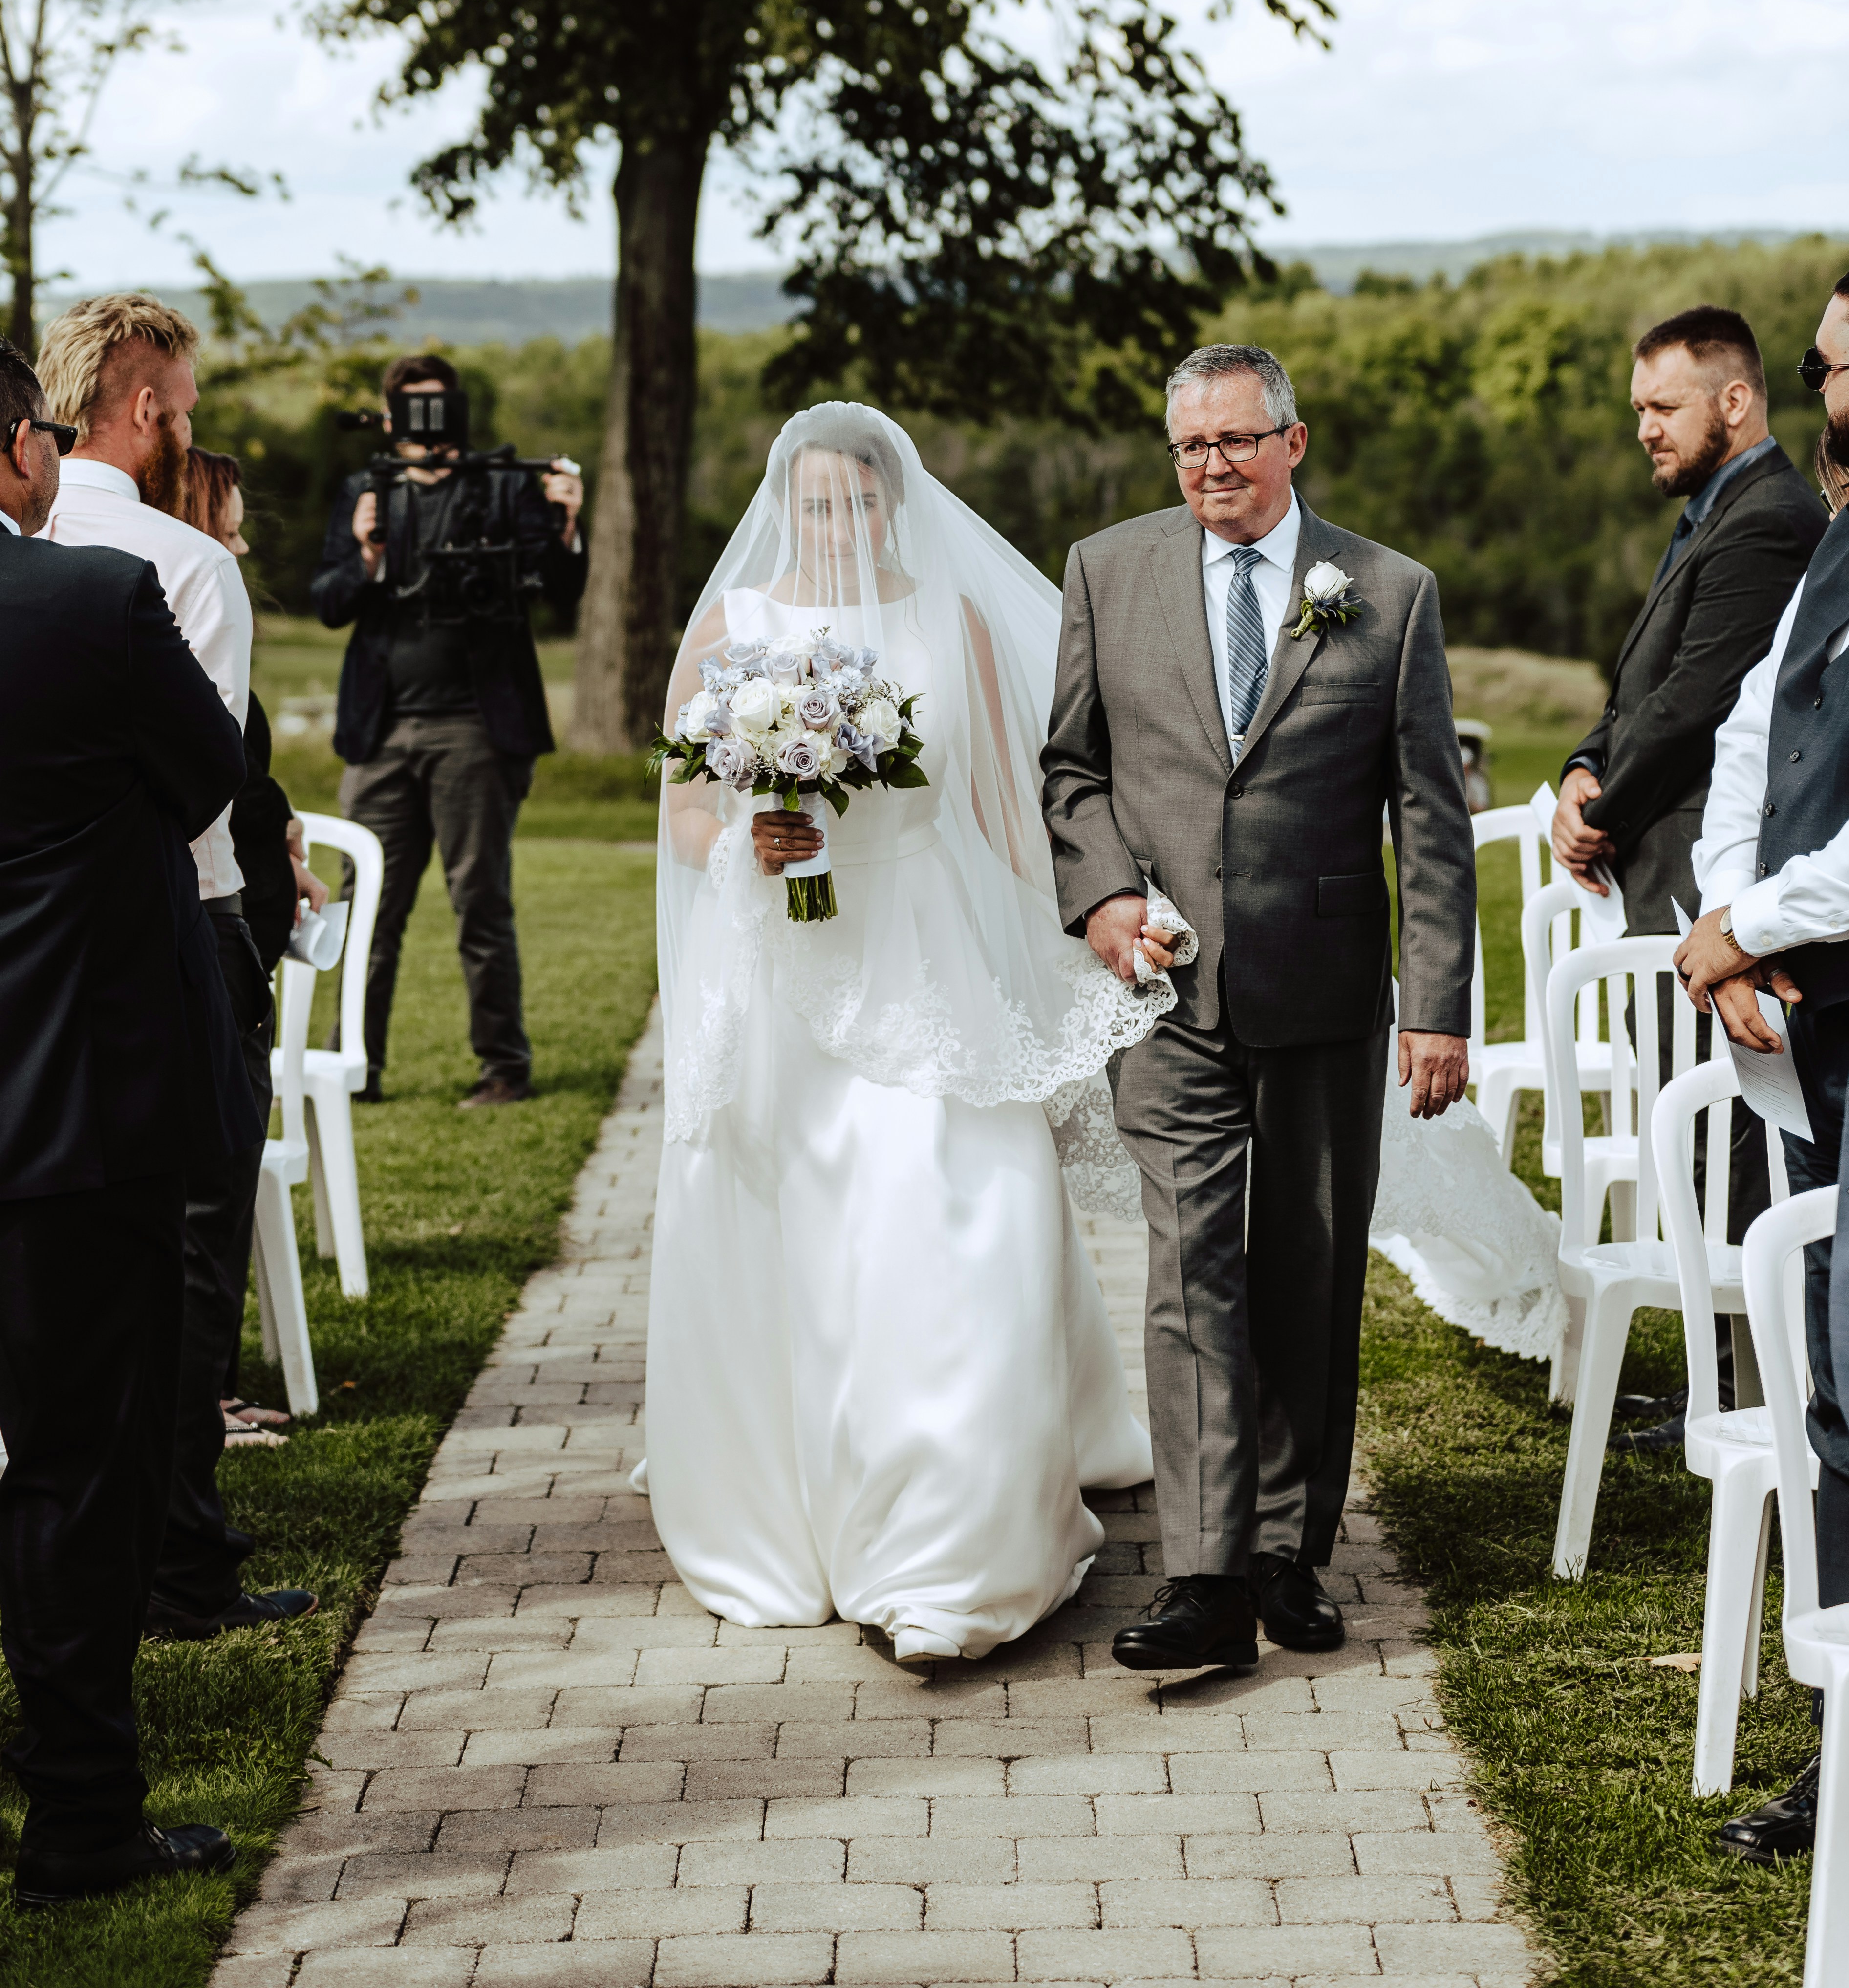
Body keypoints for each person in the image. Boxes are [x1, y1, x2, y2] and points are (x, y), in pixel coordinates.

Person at [646, 405, 1159, 1662]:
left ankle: (957, 1552)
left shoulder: (951, 618)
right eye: (814, 506)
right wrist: (749, 844)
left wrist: (1084, 918)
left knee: (964, 1204)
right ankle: (813, 1503)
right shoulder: (735, 628)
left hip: (922, 949)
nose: (836, 526)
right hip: (791, 967)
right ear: (785, 508)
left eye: (857, 504)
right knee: (812, 1232)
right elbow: (684, 815)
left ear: (892, 504)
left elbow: (1002, 801)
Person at [1042, 341, 1476, 1675]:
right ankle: (1204, 1575)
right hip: (1165, 995)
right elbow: (1072, 771)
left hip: (1327, 989)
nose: (1212, 467)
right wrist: (1107, 898)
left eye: (1237, 442)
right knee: (1191, 1275)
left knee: (1309, 1269)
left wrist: (1439, 1006)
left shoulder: (1388, 594)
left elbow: (1431, 820)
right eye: (1190, 448)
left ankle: (1293, 1550)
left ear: (1294, 442)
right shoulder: (1106, 573)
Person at [0, 328, 248, 1907]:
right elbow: (198, 782)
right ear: (26, 448)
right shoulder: (91, 597)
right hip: (66, 1110)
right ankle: (84, 1819)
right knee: (75, 1472)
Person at [34, 296, 317, 1636]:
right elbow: (204, 792)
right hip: (178, 930)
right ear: (148, 408)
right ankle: (177, 1555)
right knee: (198, 1239)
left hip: (25, 942)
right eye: (187, 402)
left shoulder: (15, 543)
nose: (189, 423)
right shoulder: (185, 566)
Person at [1553, 304, 1825, 1443]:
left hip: (1708, 865)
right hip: (1669, 856)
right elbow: (1636, 689)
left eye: (1661, 408)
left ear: (1734, 400)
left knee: (1741, 1141)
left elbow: (1702, 701)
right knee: (1708, 1134)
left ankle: (1758, 1392)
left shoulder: (1768, 519)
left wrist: (1597, 813)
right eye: (1634, 412)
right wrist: (1577, 763)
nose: (1643, 432)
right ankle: (1720, 1380)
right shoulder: (1716, 508)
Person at [1674, 268, 1849, 1868]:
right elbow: (1744, 743)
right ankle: (1838, 1748)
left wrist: (1752, 922)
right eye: (1823, 366)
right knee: (1834, 1401)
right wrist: (1728, 915)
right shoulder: (1829, 554)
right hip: (1815, 1040)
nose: (1829, 392)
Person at [311, 351, 586, 1107]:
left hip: (476, 726)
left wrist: (566, 520)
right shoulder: (366, 490)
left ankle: (505, 1068)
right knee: (368, 901)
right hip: (382, 729)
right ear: (391, 417)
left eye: (442, 409)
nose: (429, 428)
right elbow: (329, 601)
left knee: (479, 900)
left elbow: (558, 591)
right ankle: (352, 1070)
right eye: (415, 411)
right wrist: (368, 551)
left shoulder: (502, 486)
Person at [179, 446, 328, 1442]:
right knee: (205, 1175)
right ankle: (202, 1395)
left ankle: (211, 1382)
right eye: (227, 523)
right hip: (204, 928)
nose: (240, 543)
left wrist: (277, 832)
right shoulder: (180, 606)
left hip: (244, 912)